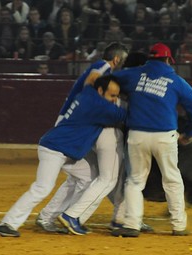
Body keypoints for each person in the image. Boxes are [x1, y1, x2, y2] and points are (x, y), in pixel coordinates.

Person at [0, 75, 127, 237]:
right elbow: (126, 116)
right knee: (42, 188)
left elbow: (91, 78)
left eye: (117, 96)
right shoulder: (99, 105)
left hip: (64, 150)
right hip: (54, 150)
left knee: (88, 177)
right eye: (112, 95)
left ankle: (52, 217)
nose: (114, 100)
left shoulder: (87, 93)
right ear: (100, 91)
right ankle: (7, 223)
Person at [111, 42, 192, 238]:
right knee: (172, 180)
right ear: (169, 60)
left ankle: (131, 224)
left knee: (135, 181)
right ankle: (178, 225)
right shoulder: (175, 80)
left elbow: (108, 79)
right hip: (165, 136)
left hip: (137, 135)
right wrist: (189, 132)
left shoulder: (134, 74)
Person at [36, 42, 129, 234]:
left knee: (83, 176)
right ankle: (70, 216)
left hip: (71, 125)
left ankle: (49, 216)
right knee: (101, 177)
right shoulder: (103, 67)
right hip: (75, 128)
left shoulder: (99, 68)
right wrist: (103, 105)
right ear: (117, 59)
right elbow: (91, 82)